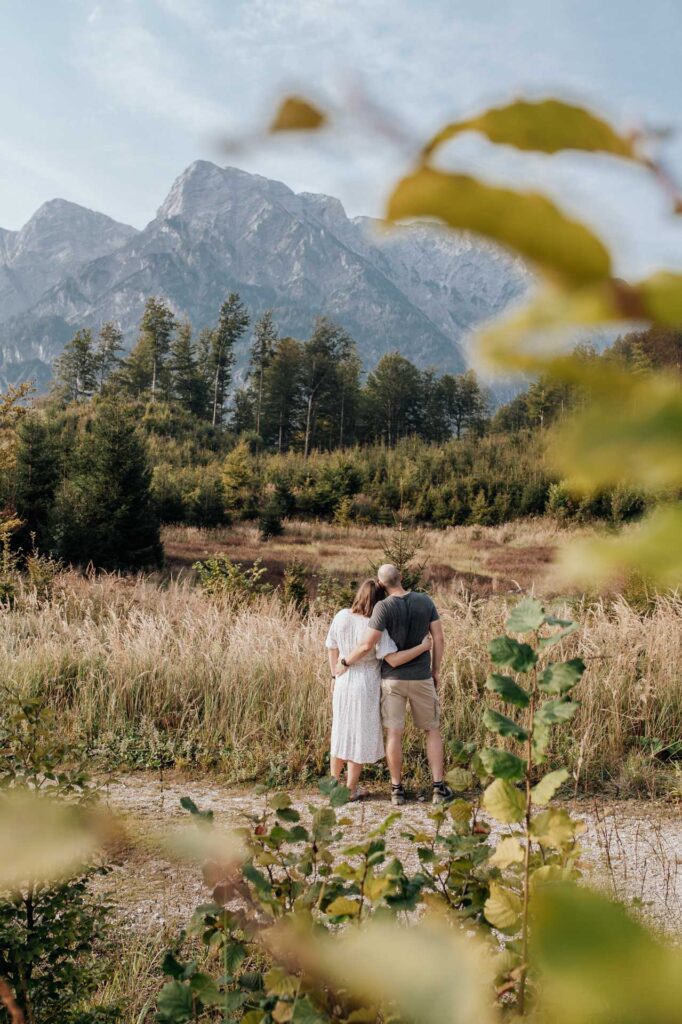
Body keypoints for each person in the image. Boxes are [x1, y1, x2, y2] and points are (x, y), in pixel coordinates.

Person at [334, 564, 454, 806]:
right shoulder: (425, 601)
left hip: (392, 679)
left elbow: (368, 644)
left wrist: (344, 662)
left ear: (380, 584)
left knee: (394, 734)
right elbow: (438, 637)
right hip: (421, 677)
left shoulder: (383, 607)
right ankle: (438, 788)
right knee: (431, 729)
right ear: (400, 578)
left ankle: (396, 789)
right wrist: (436, 670)